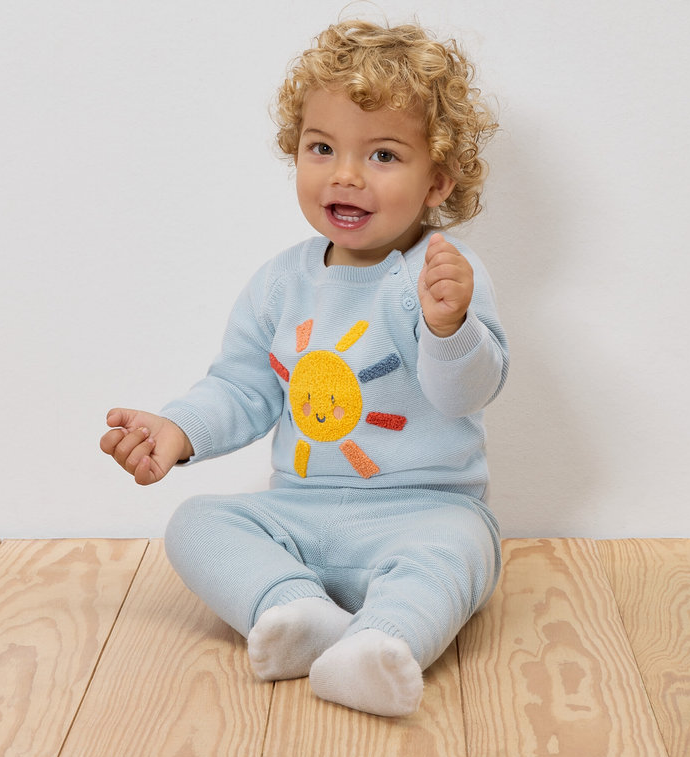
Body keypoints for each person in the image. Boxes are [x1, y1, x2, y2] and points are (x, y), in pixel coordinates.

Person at [100, 19, 508, 717]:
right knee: (196, 522)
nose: (344, 173)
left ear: (437, 179)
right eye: (322, 148)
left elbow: (467, 391)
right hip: (298, 513)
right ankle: (294, 609)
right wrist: (178, 430)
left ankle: (383, 642)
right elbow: (241, 386)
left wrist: (449, 327)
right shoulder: (278, 284)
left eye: (382, 154)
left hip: (424, 511)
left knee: (465, 548)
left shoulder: (441, 276)